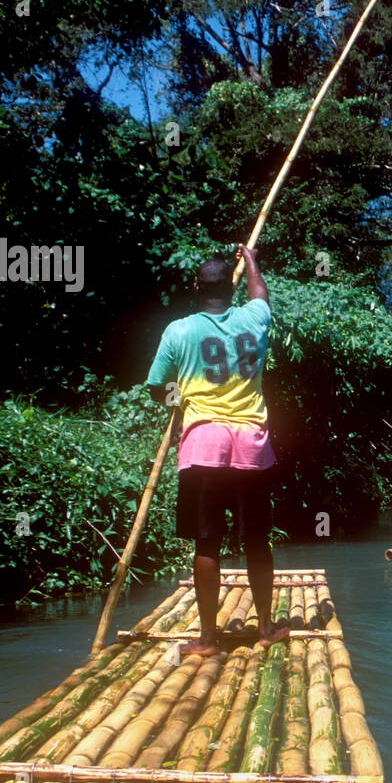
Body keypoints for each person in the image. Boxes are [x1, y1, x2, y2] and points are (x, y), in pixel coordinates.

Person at [147, 244, 287, 656]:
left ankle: (208, 640)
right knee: (257, 540)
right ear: (232, 286)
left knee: (206, 543)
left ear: (196, 286)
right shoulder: (254, 318)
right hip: (250, 446)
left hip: (203, 445)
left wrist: (179, 399)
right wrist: (254, 260)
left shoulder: (179, 331)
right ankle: (265, 628)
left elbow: (158, 389)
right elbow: (261, 295)